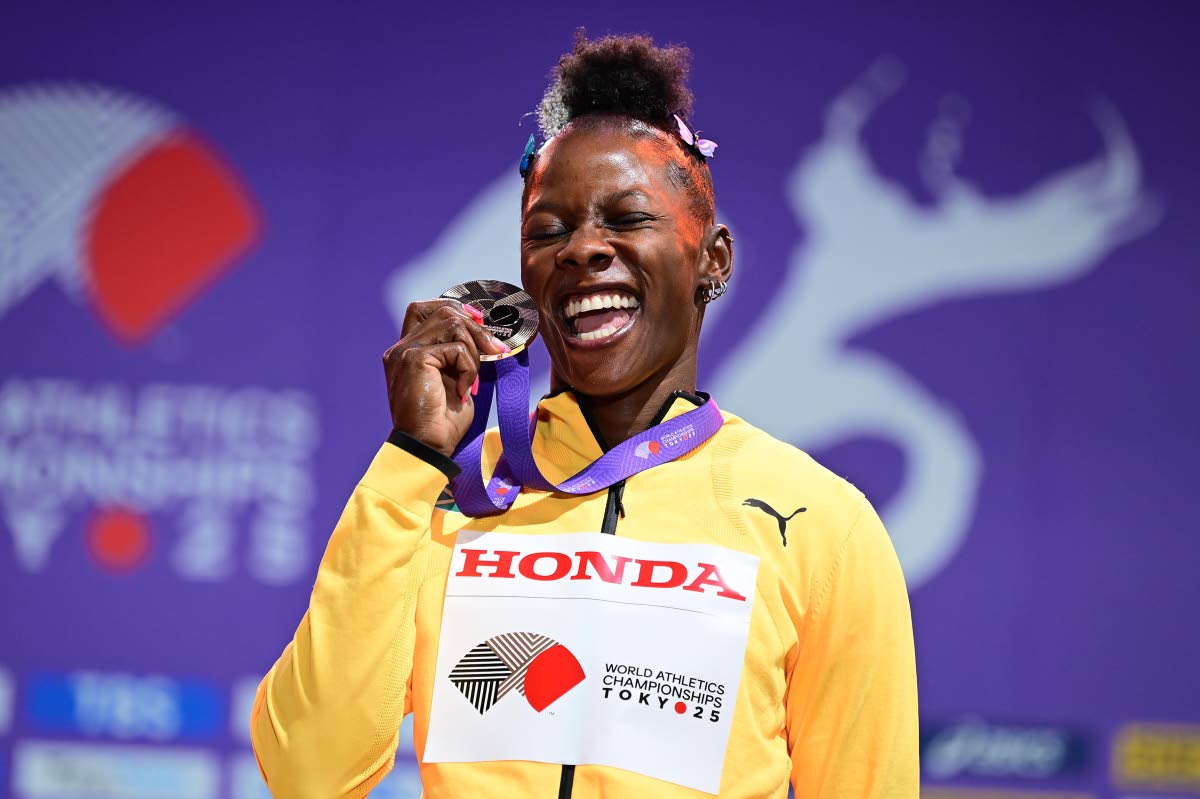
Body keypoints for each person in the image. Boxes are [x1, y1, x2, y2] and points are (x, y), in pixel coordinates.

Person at [251, 32, 918, 799]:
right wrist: (413, 456)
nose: (582, 249)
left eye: (628, 219)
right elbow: (308, 772)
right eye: (548, 230)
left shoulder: (820, 523)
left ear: (713, 260)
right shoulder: (449, 497)